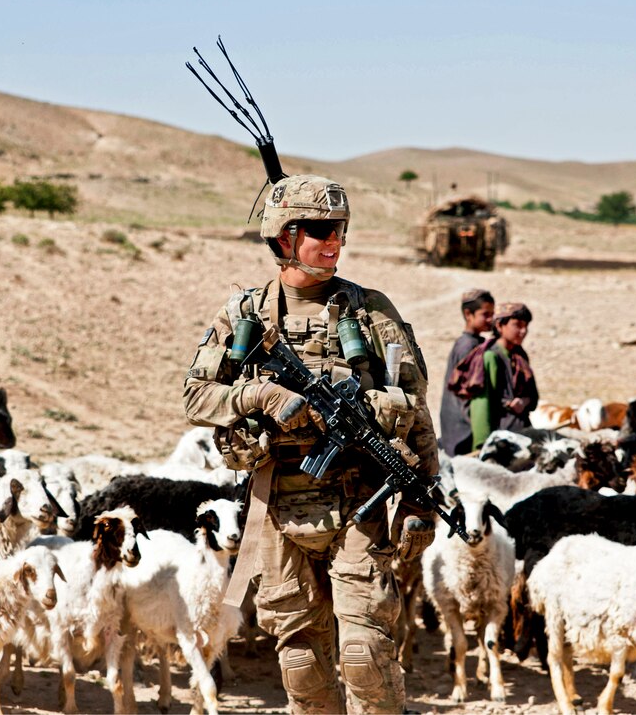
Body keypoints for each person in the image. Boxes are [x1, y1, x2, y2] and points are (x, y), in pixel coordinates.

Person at [183, 174, 439, 714]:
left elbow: (416, 410)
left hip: (359, 502)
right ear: (283, 236)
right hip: (277, 507)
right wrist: (263, 396)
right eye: (321, 229)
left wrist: (421, 501)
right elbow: (196, 397)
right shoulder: (245, 315)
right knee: (300, 664)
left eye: (340, 230)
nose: (335, 241)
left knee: (366, 655)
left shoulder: (371, 311)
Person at [470, 302, 538, 445]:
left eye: (526, 326)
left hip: (523, 431)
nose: (523, 331)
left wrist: (523, 401)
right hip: (501, 437)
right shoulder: (490, 357)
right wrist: (483, 443)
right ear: (500, 326)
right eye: (518, 325)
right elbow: (483, 404)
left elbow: (533, 396)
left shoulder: (520, 356)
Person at [439, 289, 494, 455]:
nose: (490, 319)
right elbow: (466, 391)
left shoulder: (474, 342)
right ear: (468, 314)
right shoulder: (467, 346)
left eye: (492, 314)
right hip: (462, 425)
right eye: (485, 314)